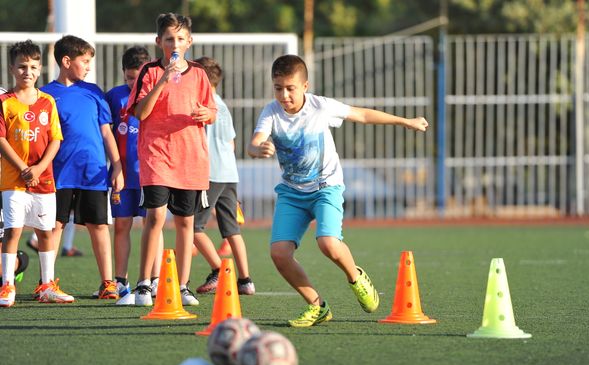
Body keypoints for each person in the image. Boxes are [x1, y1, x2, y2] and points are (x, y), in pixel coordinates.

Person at [248, 55, 428, 327]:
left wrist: (405, 121)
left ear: (305, 85)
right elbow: (254, 142)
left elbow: (363, 115)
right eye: (277, 88)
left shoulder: (321, 107)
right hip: (291, 193)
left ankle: (355, 277)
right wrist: (257, 149)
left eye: (290, 88)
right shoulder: (270, 112)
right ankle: (317, 306)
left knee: (328, 244)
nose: (283, 95)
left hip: (326, 187)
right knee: (279, 254)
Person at [127, 13, 216, 307]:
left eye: (180, 38)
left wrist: (207, 114)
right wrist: (164, 79)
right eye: (168, 39)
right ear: (158, 42)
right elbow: (140, 112)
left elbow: (211, 110)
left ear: (189, 42)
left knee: (185, 222)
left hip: (190, 159)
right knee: (155, 217)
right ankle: (143, 283)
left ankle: (182, 285)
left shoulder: (200, 74)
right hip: (156, 156)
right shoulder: (149, 71)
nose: (174, 44)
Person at [41, 35, 124, 299]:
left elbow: (107, 133)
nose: (88, 66)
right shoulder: (45, 95)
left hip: (94, 173)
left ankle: (107, 283)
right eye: (84, 61)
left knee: (99, 225)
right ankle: (47, 283)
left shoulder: (94, 92)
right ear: (66, 61)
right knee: (55, 226)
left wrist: (118, 166)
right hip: (58, 174)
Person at [0, 40, 74, 307]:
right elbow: (1, 139)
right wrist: (22, 168)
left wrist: (40, 168)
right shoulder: (5, 102)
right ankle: (7, 285)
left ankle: (46, 285)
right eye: (21, 67)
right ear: (12, 68)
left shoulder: (47, 101)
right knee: (13, 232)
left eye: (32, 66)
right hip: (13, 180)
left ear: (40, 68)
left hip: (44, 180)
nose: (27, 72)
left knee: (45, 232)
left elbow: (55, 138)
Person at [105, 46, 163, 304]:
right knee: (122, 225)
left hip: (151, 174)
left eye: (138, 78)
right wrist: (115, 166)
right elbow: (106, 134)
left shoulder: (158, 95)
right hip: (122, 176)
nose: (133, 83)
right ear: (123, 74)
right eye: (129, 78)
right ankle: (121, 280)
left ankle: (156, 279)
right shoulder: (114, 97)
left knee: (154, 223)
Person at [192, 57, 254, 295]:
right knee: (231, 230)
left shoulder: (202, 105)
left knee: (192, 227)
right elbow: (231, 142)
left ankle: (219, 270)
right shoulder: (223, 106)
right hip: (230, 173)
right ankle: (246, 280)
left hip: (210, 174)